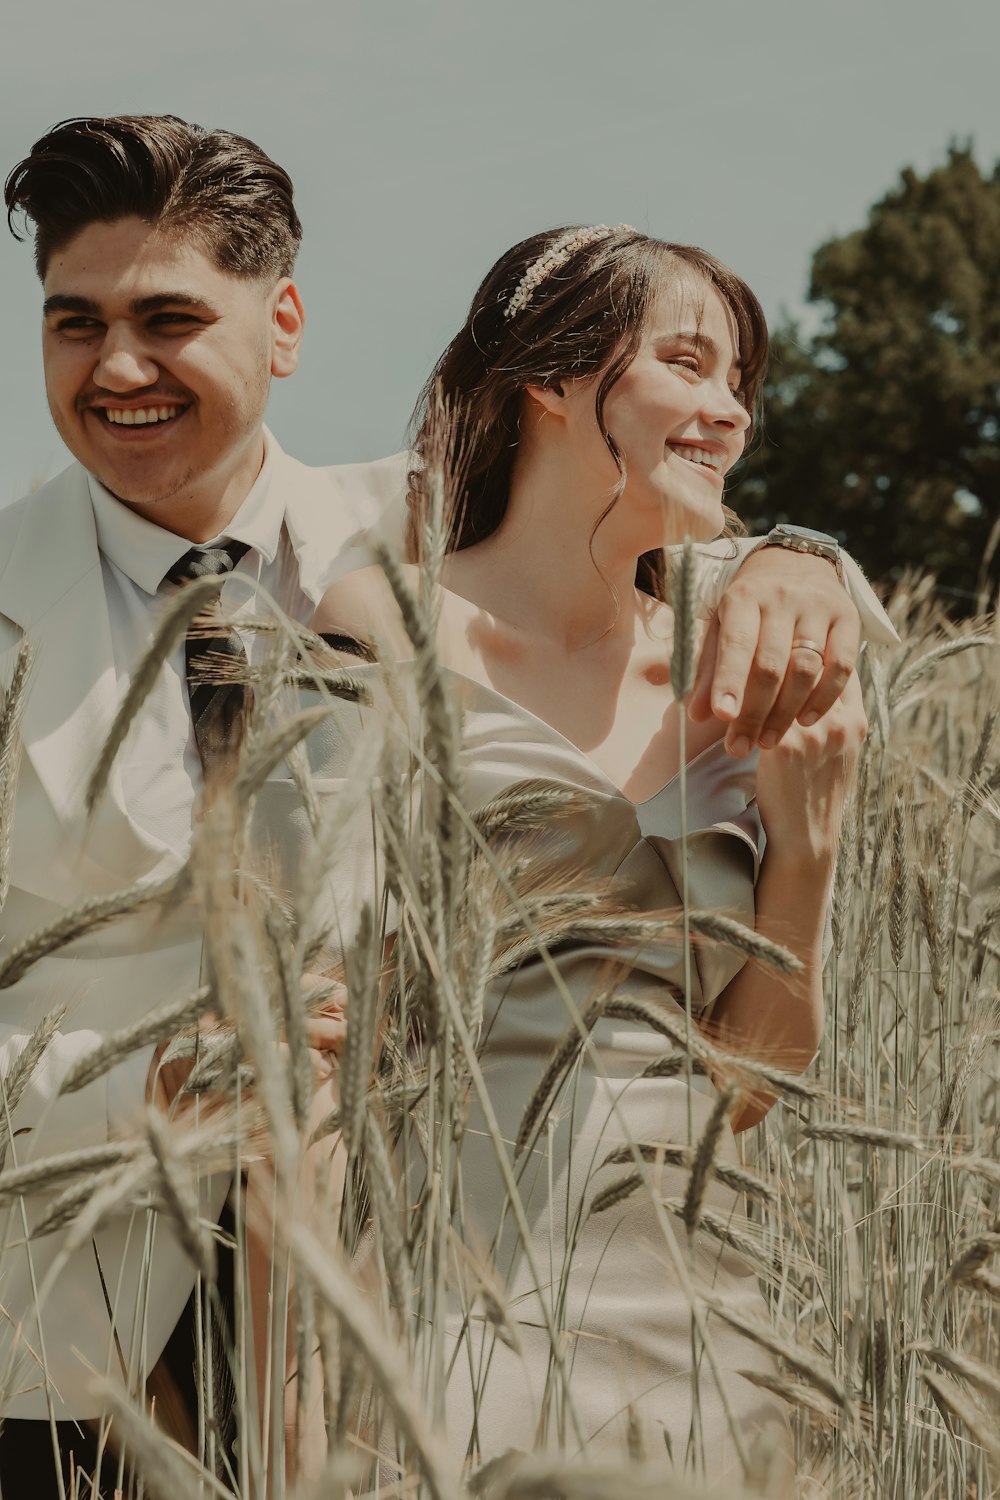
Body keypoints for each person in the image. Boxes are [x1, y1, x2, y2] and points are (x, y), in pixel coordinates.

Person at [0, 114, 890, 1491]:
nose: (119, 366)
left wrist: (802, 565)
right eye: (75, 323)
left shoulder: (396, 543)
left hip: (498, 1305)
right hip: (78, 1346)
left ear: (283, 323)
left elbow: (627, 517)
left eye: (168, 318)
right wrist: (147, 1087)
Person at [297, 225, 871, 1485]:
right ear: (548, 381)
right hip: (447, 1315)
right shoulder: (381, 626)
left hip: (704, 1327)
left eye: (741, 386)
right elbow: (317, 1018)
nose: (729, 412)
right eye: (688, 363)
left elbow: (752, 1078)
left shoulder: (738, 681)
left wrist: (807, 844)